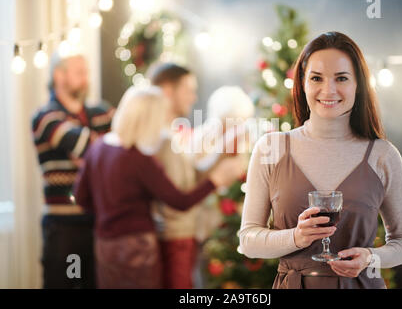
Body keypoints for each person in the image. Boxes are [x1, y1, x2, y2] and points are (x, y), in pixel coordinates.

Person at [238, 31, 402, 289]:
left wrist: (370, 257)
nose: (328, 90)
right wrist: (296, 237)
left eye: (341, 78)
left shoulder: (383, 155)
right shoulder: (271, 148)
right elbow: (248, 241)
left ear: (359, 84)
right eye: (316, 78)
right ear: (303, 83)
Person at [73, 85, 245, 289]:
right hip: (138, 246)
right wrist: (215, 181)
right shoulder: (139, 158)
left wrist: (107, 216)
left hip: (104, 243)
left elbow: (80, 197)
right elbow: (180, 202)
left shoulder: (98, 147)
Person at [31, 52, 114, 288]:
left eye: (86, 72)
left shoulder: (102, 112)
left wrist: (89, 154)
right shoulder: (44, 117)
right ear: (59, 75)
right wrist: (99, 149)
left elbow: (121, 149)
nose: (86, 79)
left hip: (97, 222)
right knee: (64, 284)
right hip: (64, 227)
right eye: (79, 73)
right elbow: (89, 145)